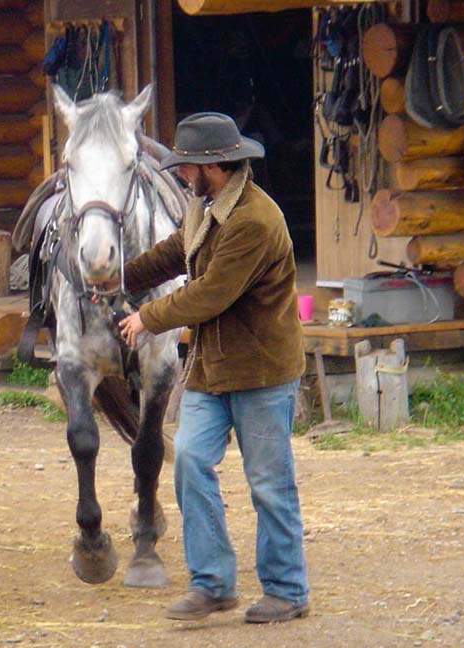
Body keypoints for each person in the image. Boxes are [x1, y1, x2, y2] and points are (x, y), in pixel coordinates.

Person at [115, 112, 310, 624]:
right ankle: (213, 584)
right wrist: (116, 279)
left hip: (262, 372)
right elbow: (173, 254)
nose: (179, 174)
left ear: (212, 166)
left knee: (269, 484)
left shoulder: (253, 221)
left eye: (185, 167)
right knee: (192, 465)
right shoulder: (203, 207)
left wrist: (146, 317)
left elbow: (210, 294)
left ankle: (288, 590)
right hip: (210, 370)